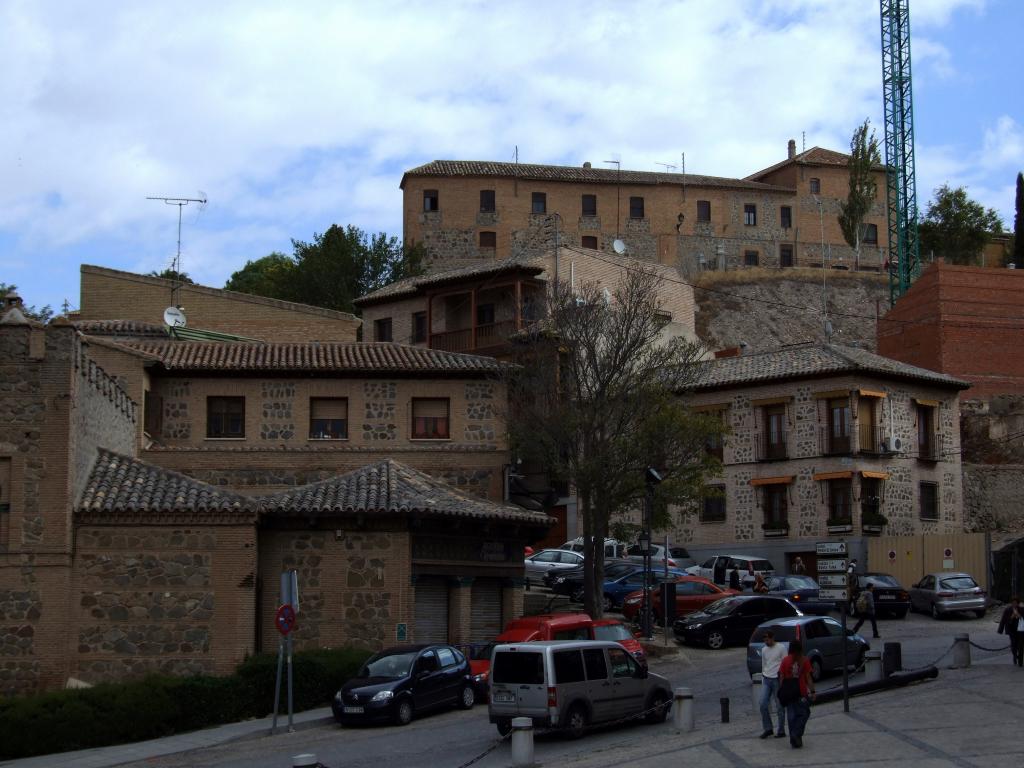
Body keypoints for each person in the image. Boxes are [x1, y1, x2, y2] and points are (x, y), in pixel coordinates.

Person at [778, 638, 815, 748]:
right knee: (804, 713)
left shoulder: (785, 661)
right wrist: (812, 691)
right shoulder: (804, 660)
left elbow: (781, 677)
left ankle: (793, 739)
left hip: (789, 693)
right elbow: (808, 678)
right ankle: (796, 735)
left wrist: (782, 690)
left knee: (791, 716)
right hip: (800, 692)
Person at [758, 630, 788, 739]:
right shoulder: (764, 650)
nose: (766, 642)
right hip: (767, 678)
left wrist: (784, 680)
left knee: (779, 706)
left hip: (777, 679)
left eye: (768, 640)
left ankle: (781, 730)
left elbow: (785, 664)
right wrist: (763, 678)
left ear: (772, 638)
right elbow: (764, 664)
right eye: (765, 640)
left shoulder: (781, 648)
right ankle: (768, 728)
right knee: (762, 703)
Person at [997, 596, 1024, 667]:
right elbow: (1003, 620)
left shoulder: (1022, 609)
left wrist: (1018, 615)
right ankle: (1015, 656)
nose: (1014, 604)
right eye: (1013, 603)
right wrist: (1000, 630)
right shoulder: (1008, 610)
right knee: (1013, 644)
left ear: (1018, 603)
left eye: (1016, 603)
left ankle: (1020, 660)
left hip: (1020, 630)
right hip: (1011, 630)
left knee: (1020, 645)